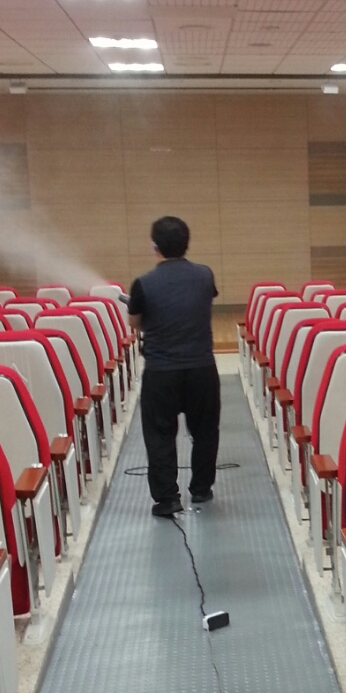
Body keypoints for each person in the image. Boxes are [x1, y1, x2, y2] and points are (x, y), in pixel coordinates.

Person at [128, 215, 221, 518]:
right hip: (201, 368)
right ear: (187, 243)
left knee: (159, 435)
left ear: (154, 246)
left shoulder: (143, 283)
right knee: (205, 431)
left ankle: (168, 498)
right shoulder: (205, 275)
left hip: (161, 372)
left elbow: (135, 322)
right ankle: (201, 488)